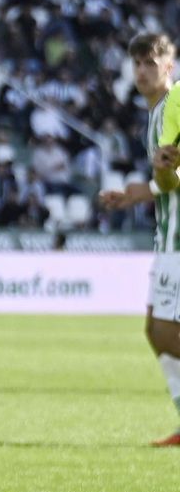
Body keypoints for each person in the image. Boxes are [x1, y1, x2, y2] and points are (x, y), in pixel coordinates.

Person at [99, 32, 180, 446]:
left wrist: (155, 182)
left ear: (170, 65)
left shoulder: (175, 108)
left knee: (166, 330)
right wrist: (139, 192)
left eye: (152, 62)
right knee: (154, 329)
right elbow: (169, 179)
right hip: (166, 238)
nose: (143, 71)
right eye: (138, 64)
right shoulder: (155, 114)